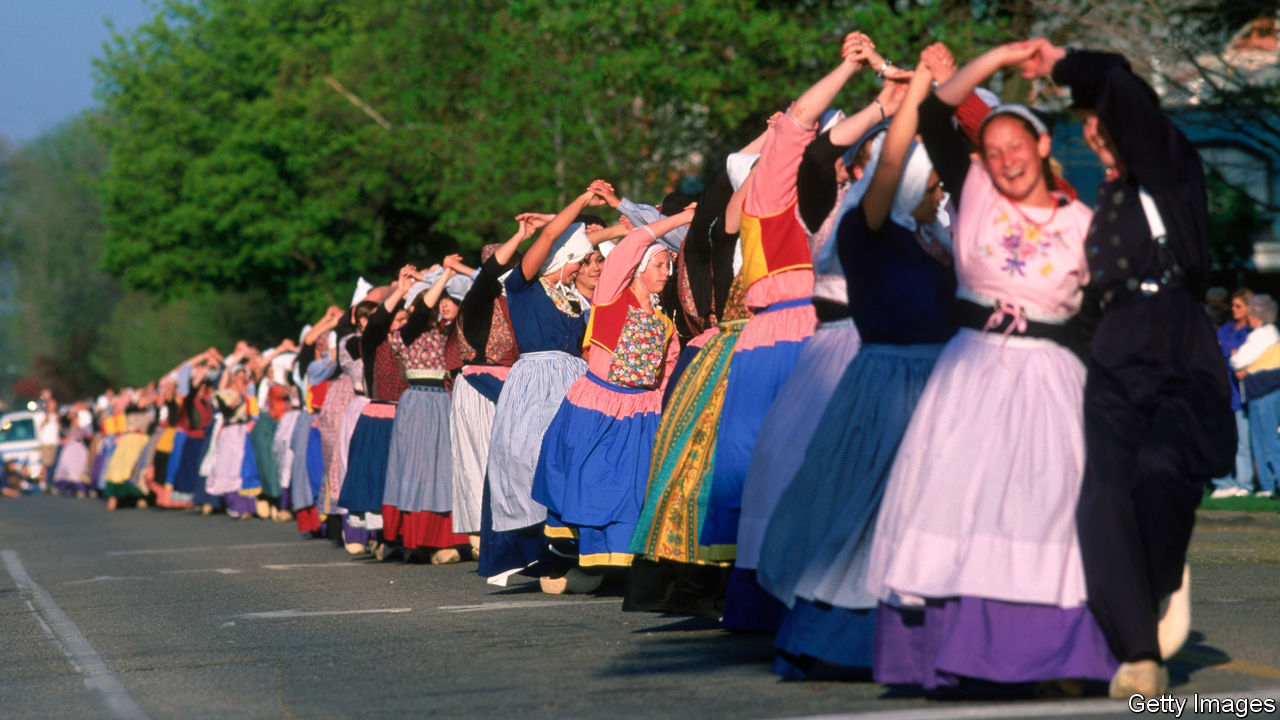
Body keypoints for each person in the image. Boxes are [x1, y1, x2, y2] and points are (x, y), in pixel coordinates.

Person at [864, 40, 1113, 690]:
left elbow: (1100, 318)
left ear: (1044, 149)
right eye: (994, 150)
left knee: (1047, 509)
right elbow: (936, 112)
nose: (1006, 160)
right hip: (972, 374)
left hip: (1051, 378)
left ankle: (1061, 654)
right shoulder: (975, 193)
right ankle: (953, 653)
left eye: (1018, 147)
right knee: (960, 506)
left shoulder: (1084, 221)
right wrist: (999, 57)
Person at [1026, 40, 1236, 698]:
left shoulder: (1170, 169)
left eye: (1101, 117)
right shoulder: (1104, 203)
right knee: (1103, 497)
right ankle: (1136, 651)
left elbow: (1120, 85)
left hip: (1177, 343)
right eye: (1084, 122)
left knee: (1163, 472)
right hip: (1114, 349)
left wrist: (1060, 62)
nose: (1093, 129)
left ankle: (1162, 576)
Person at [757, 46, 956, 679]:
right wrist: (910, 91)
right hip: (881, 380)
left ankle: (931, 637)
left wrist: (943, 93)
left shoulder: (939, 238)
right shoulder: (864, 230)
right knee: (861, 508)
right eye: (933, 181)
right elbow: (868, 159)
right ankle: (839, 637)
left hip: (936, 386)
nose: (942, 190)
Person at [532, 208, 694, 593]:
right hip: (599, 407)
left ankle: (616, 568)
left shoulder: (664, 318)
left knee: (634, 490)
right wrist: (680, 219)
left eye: (668, 267)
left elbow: (666, 371)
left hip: (640, 413)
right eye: (658, 265)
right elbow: (634, 241)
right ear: (637, 268)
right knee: (594, 483)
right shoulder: (611, 296)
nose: (665, 273)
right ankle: (586, 566)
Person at [480, 185, 607, 583]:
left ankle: (570, 552)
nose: (581, 265)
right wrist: (581, 203)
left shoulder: (574, 298)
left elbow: (572, 237)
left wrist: (621, 226)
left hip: (573, 382)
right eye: (578, 259)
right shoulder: (524, 287)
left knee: (573, 461)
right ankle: (540, 555)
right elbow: (552, 236)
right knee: (529, 456)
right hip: (535, 382)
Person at [1210, 288, 1256, 498]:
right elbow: (1217, 351)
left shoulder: (1252, 332)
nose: (1234, 310)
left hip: (1241, 394)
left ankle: (1244, 483)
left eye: (1239, 306)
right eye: (1234, 305)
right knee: (1224, 439)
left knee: (1244, 442)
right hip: (1223, 391)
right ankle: (1227, 481)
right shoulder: (1227, 328)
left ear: (1249, 308)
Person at [1234, 294, 1280, 498]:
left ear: (1257, 316)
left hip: (1265, 393)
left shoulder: (1265, 335)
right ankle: (1267, 486)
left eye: (1251, 313)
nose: (1248, 317)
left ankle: (1272, 484)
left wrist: (1240, 360)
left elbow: (1238, 360)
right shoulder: (1263, 335)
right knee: (1260, 442)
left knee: (1269, 441)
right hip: (1258, 393)